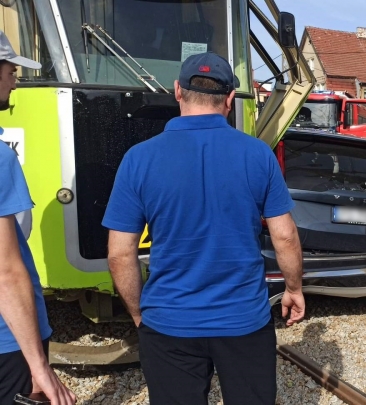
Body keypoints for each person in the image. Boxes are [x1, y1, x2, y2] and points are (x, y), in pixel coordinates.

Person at [103, 52, 305, 404]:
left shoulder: (139, 158)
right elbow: (284, 235)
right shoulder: (258, 155)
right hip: (243, 321)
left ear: (177, 90)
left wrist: (140, 313)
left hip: (168, 323)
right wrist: (294, 288)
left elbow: (120, 254)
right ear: (229, 99)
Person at [0, 31, 77, 405]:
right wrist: (40, 366)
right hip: (6, 339)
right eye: (11, 71)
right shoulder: (0, 158)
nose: (16, 81)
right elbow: (6, 271)